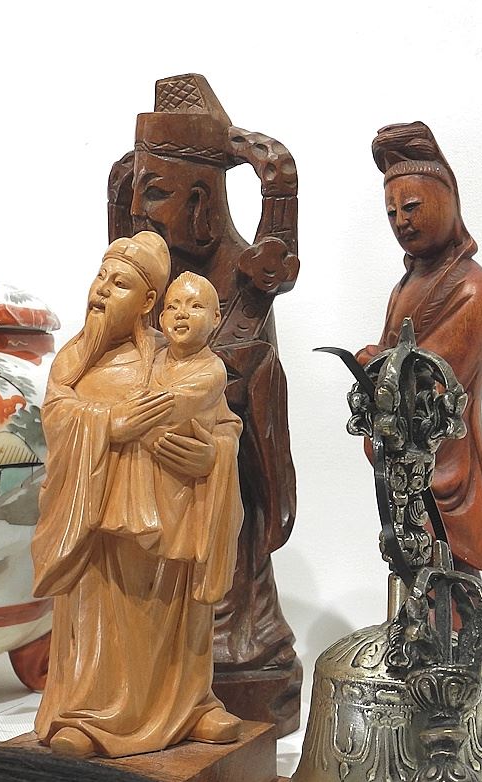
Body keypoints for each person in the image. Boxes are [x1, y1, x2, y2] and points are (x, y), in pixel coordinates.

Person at [108, 74, 300, 728]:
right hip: (154, 497)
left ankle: (239, 650)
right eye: (136, 193)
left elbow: (249, 393)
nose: (141, 212)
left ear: (202, 201)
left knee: (231, 567)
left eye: (156, 193)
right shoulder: (149, 275)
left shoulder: (244, 280)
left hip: (223, 484)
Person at [359, 121, 482, 755]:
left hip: (445, 469)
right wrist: (374, 364)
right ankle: (437, 702)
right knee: (421, 583)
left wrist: (384, 369)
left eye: (412, 206)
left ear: (447, 200)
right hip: (402, 464)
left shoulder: (471, 287)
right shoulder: (406, 285)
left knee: (455, 584)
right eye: (391, 212)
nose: (401, 221)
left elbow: (438, 378)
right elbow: (392, 356)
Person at [32, 233, 243, 758]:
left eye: (120, 283)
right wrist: (107, 425)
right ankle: (86, 713)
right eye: (101, 278)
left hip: (171, 516)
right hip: (99, 519)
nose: (102, 290)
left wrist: (213, 458)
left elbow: (224, 424)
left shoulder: (175, 357)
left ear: (148, 301)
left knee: (171, 610)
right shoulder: (74, 362)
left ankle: (189, 704)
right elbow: (56, 416)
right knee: (101, 609)